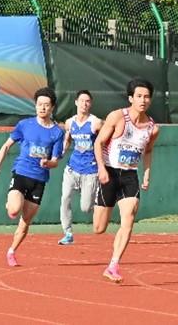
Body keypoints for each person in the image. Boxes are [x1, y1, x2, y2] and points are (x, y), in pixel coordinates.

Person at [0, 87, 65, 267]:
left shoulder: (57, 132)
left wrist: (48, 163)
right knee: (14, 210)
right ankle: (10, 203)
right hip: (21, 173)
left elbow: (55, 161)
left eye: (46, 105)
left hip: (39, 180)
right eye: (39, 104)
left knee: (25, 221)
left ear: (52, 107)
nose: (42, 108)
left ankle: (11, 251)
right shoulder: (25, 125)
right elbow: (6, 146)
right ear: (35, 106)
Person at [92, 78, 161, 283]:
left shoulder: (152, 128)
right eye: (139, 96)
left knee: (129, 217)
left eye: (146, 97)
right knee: (99, 228)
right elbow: (98, 143)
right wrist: (101, 168)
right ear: (131, 98)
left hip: (130, 176)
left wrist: (147, 172)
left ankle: (113, 265)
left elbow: (148, 151)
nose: (143, 100)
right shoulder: (117, 117)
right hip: (110, 173)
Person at [58, 89, 102, 245]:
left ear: (91, 104)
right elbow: (68, 139)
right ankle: (68, 233)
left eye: (87, 101)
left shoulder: (95, 122)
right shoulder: (70, 122)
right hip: (72, 168)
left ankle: (100, 201)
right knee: (65, 198)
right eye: (82, 101)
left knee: (86, 208)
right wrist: (61, 152)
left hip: (90, 170)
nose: (84, 104)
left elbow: (104, 140)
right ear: (76, 102)